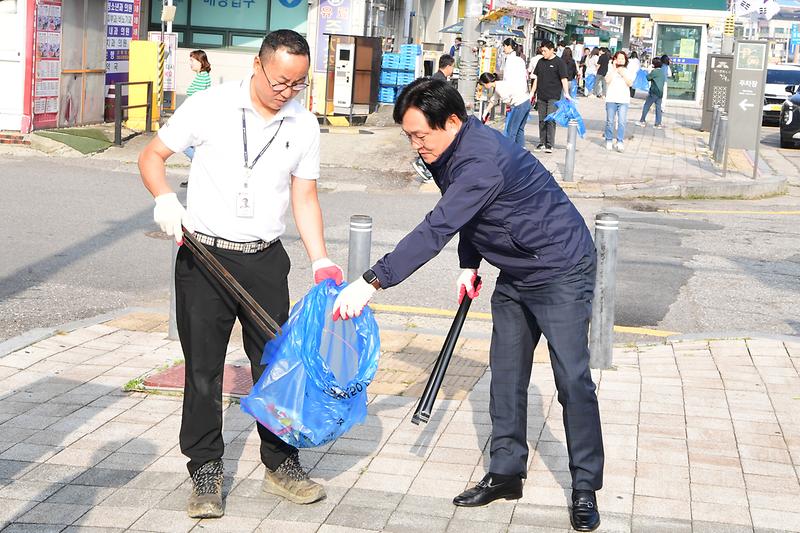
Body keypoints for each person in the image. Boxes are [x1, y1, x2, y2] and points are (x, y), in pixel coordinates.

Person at [331, 77, 604, 533]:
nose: (417, 146)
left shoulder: (482, 159)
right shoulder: (447, 151)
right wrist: (469, 262)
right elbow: (471, 214)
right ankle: (506, 474)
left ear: (453, 121)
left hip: (560, 269)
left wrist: (373, 280)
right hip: (517, 270)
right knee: (506, 375)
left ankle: (585, 487)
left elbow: (437, 225)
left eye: (421, 135)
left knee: (572, 381)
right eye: (409, 136)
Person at [137, 29, 344, 519]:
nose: (286, 92)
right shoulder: (210, 105)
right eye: (279, 81)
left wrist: (320, 259)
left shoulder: (305, 124)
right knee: (204, 369)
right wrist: (165, 198)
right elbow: (152, 156)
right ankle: (205, 469)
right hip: (204, 257)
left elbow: (305, 196)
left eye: (297, 84)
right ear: (258, 64)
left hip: (265, 259)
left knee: (274, 365)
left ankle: (281, 462)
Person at [530, 40, 572, 153]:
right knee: (542, 120)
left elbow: (564, 79)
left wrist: (567, 93)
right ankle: (542, 142)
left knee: (550, 119)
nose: (543, 53)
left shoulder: (559, 62)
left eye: (545, 51)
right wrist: (532, 93)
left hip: (554, 96)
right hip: (541, 95)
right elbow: (536, 79)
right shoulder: (540, 62)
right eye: (542, 51)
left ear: (552, 50)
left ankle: (550, 144)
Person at [180, 50, 212, 186]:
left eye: (193, 60)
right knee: (192, 146)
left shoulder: (202, 77)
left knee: (184, 144)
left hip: (195, 119)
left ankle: (204, 169)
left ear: (201, 62)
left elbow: (195, 99)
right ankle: (196, 177)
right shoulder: (202, 76)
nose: (190, 63)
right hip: (196, 118)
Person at [479, 72, 531, 147]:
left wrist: (509, 107)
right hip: (526, 102)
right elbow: (494, 100)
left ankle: (509, 151)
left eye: (483, 85)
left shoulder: (499, 88)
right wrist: (486, 111)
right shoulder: (499, 85)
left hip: (519, 105)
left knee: (511, 130)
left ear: (487, 83)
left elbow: (506, 100)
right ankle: (522, 149)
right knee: (519, 129)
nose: (484, 87)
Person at [604, 50, 634, 152]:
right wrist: (614, 69)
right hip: (611, 99)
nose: (621, 60)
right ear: (615, 59)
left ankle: (620, 141)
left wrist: (623, 74)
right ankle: (608, 140)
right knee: (610, 121)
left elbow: (630, 84)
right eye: (618, 58)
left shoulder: (628, 70)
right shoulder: (611, 69)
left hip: (623, 100)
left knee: (622, 122)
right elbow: (607, 80)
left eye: (623, 58)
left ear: (625, 60)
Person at [637, 57, 665, 129]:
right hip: (660, 92)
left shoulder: (654, 71)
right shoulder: (662, 71)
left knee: (646, 105)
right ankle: (658, 123)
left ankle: (642, 120)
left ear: (654, 64)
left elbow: (648, 78)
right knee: (658, 108)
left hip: (654, 92)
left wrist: (649, 70)